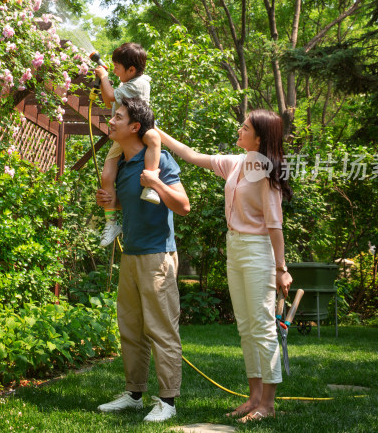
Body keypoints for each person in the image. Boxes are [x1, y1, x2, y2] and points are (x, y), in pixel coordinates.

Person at [156, 110, 293, 423]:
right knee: (246, 327)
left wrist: (281, 268)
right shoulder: (237, 163)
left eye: (245, 127)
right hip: (236, 247)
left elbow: (275, 225)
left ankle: (268, 405)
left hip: (259, 250)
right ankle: (254, 397)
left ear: (259, 138)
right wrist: (156, 131)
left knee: (262, 326)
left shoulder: (267, 173)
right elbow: (191, 155)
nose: (239, 129)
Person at [95, 96, 190, 423]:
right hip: (131, 255)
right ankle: (134, 394)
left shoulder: (160, 160)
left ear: (135, 126)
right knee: (131, 329)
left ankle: (168, 401)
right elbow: (130, 204)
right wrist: (112, 201)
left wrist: (157, 182)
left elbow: (183, 205)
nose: (112, 121)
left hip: (157, 257)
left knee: (161, 330)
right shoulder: (122, 164)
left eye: (117, 117)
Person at [94, 42, 163, 248]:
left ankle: (151, 186)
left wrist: (104, 78)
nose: (114, 70)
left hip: (140, 129)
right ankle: (111, 222)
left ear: (131, 70)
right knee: (107, 175)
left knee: (153, 139)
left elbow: (108, 96)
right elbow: (110, 102)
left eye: (117, 66)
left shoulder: (138, 84)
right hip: (125, 135)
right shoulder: (126, 85)